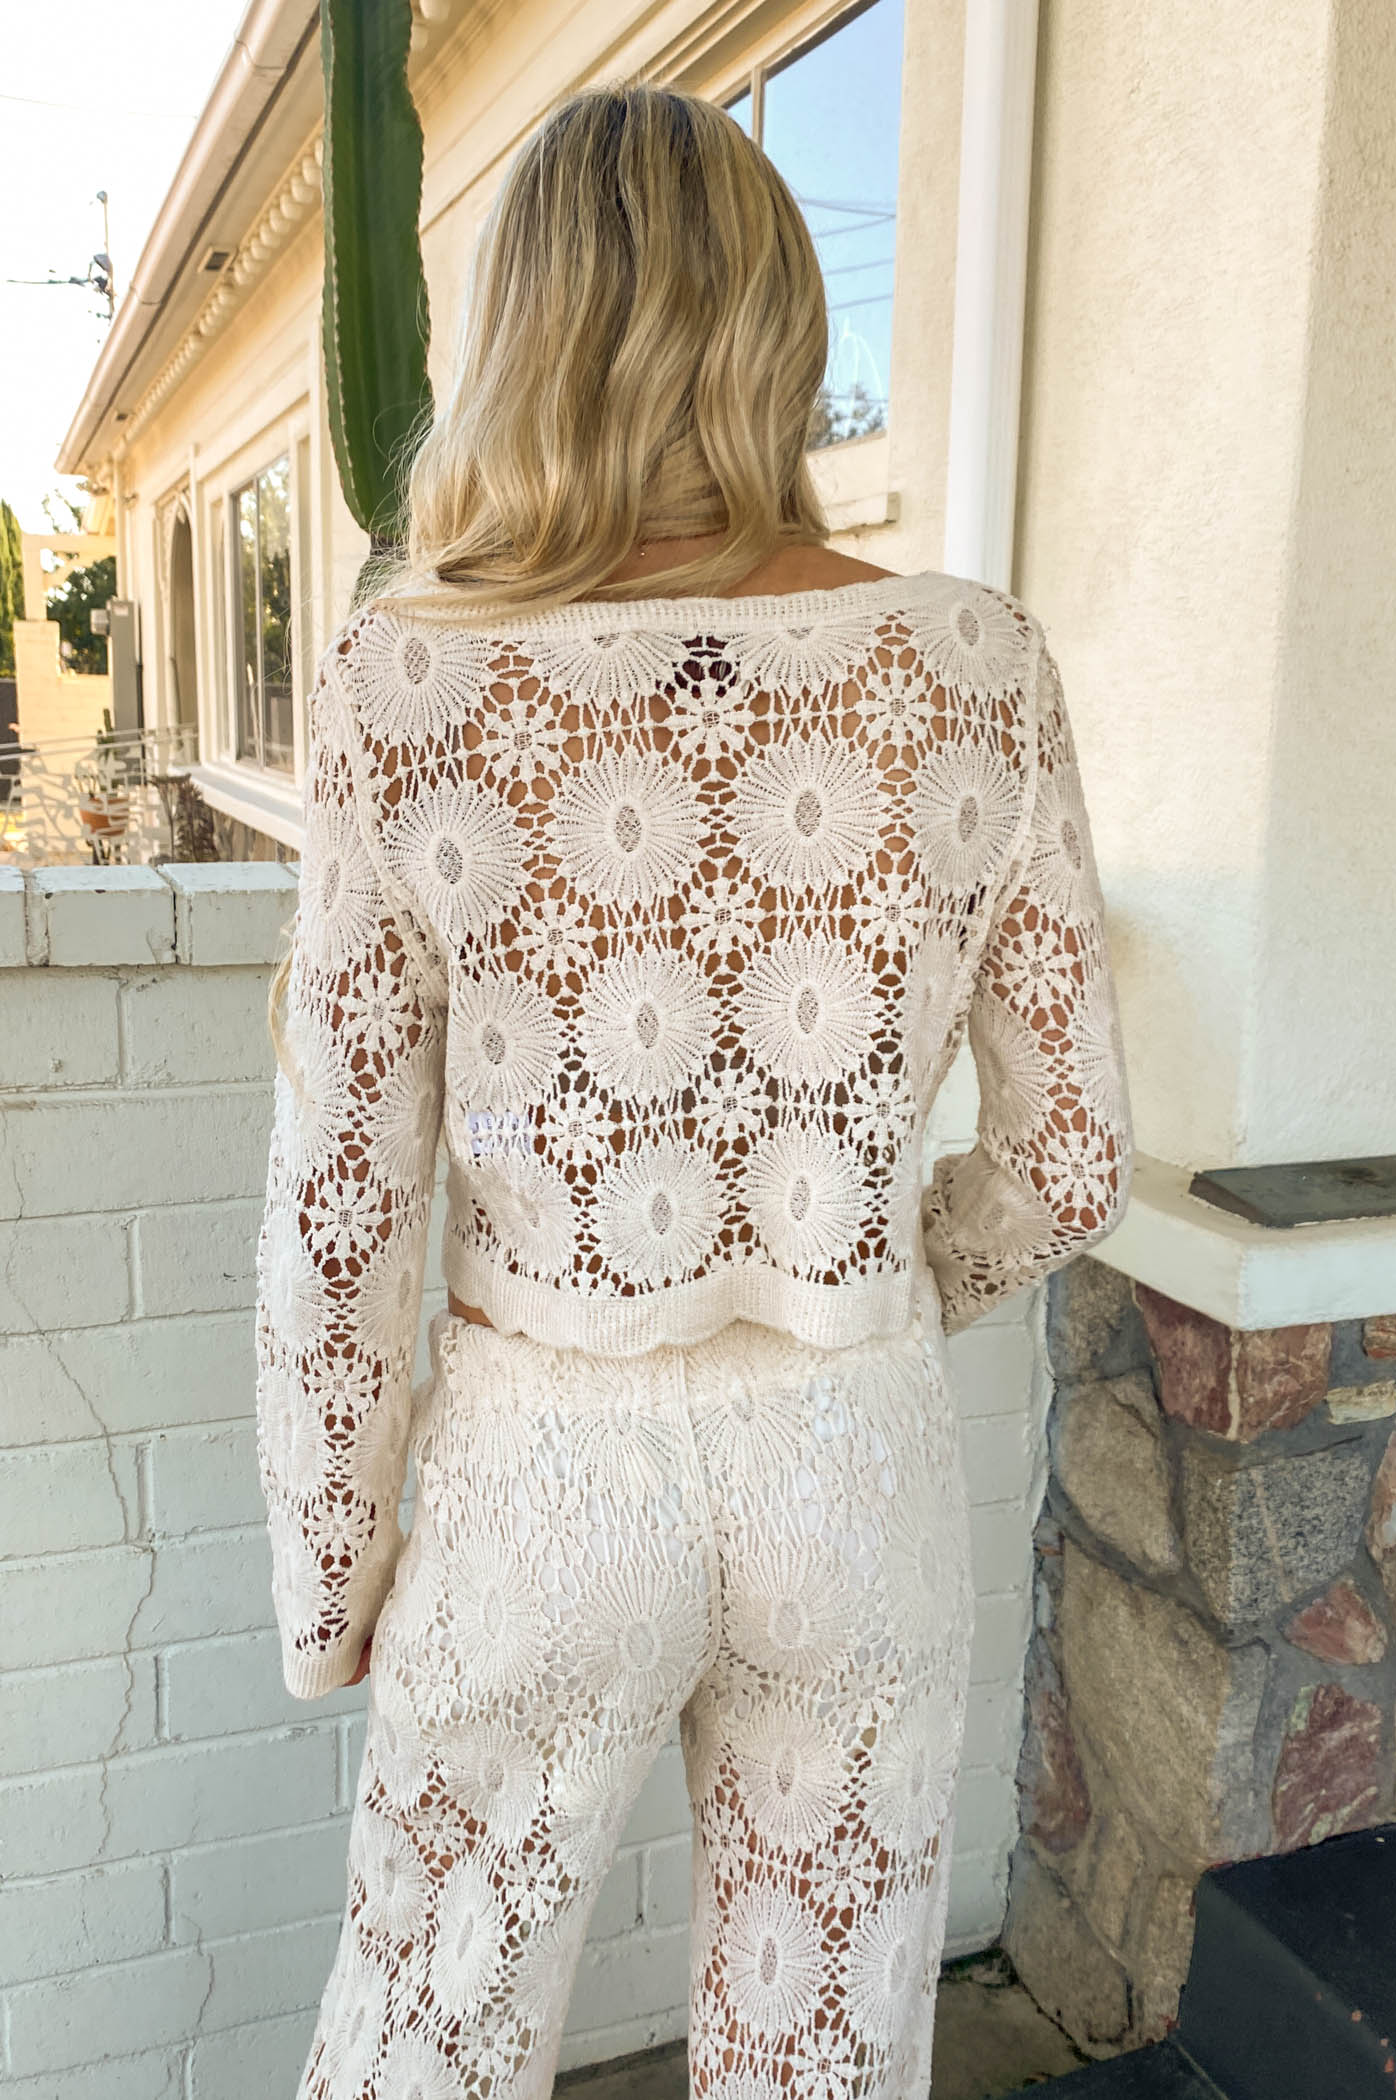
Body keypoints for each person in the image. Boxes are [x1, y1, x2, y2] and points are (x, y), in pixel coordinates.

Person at [254, 79, 1134, 2100]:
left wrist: (332, 1571)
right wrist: (873, 1277)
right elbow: (1067, 1151)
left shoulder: (411, 682)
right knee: (819, 2052)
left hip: (535, 1475)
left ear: (521, 334)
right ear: (780, 321)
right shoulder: (972, 664)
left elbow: (344, 1194)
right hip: (854, 1459)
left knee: (427, 2037)